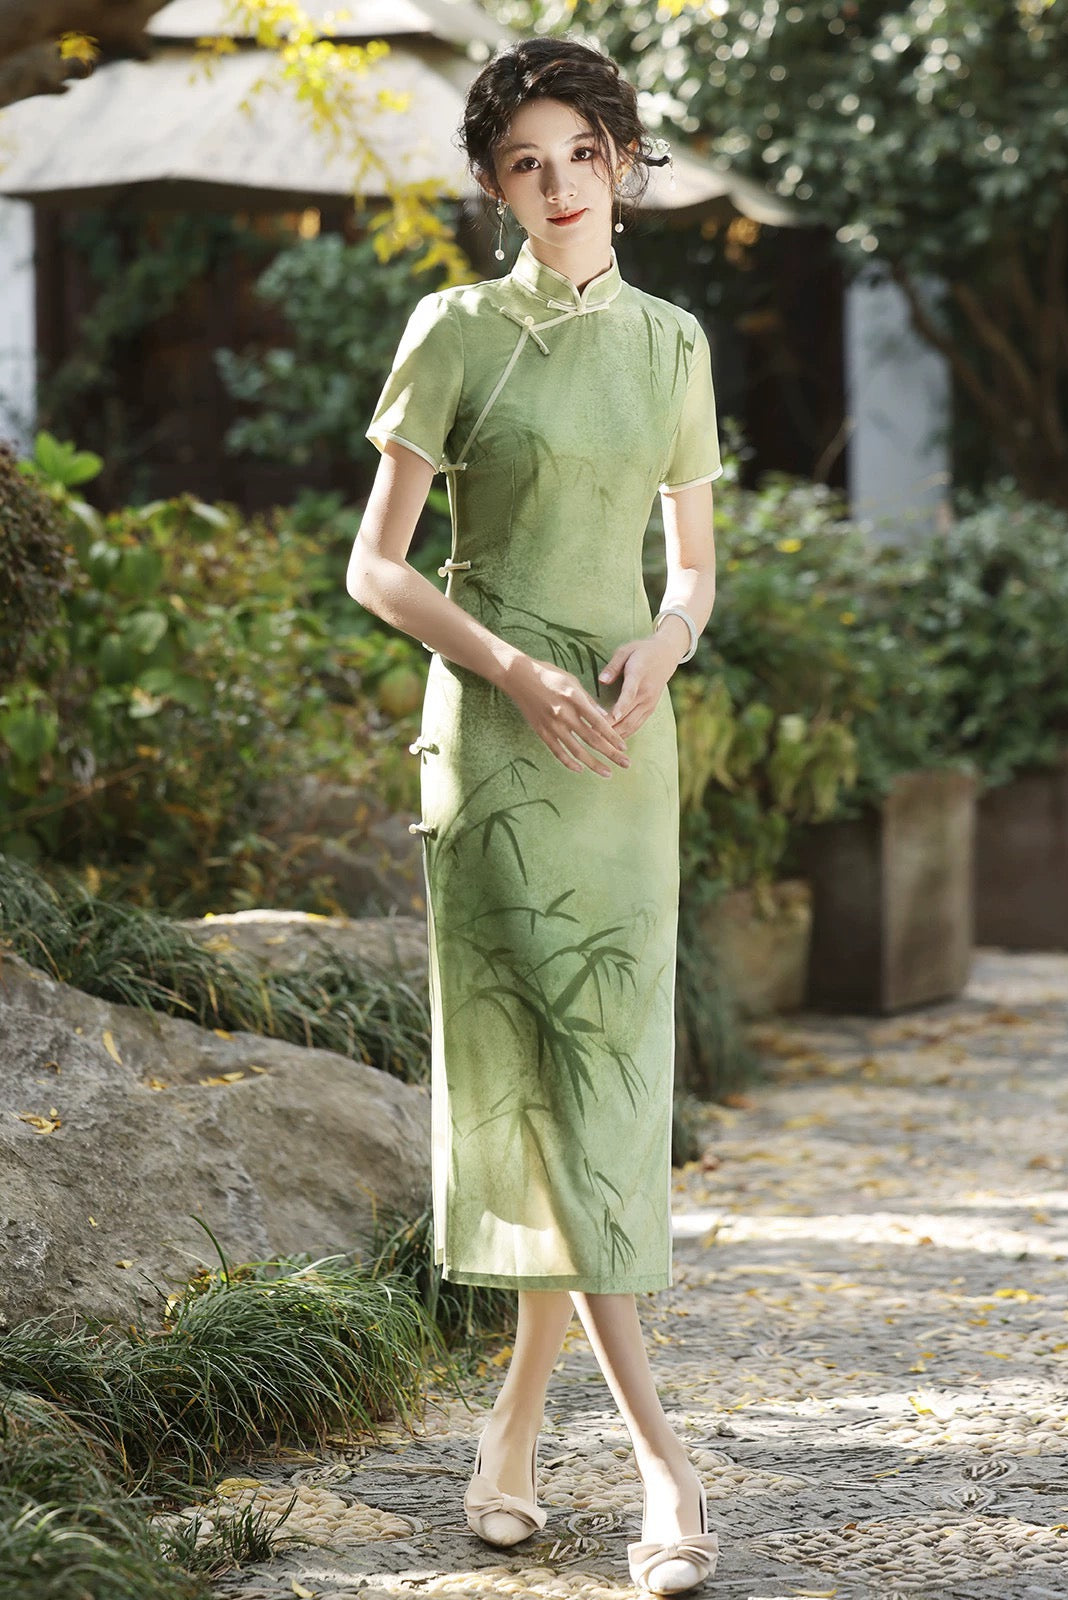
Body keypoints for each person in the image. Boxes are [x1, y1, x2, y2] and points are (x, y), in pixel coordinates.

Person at [346, 33, 722, 1596]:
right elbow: (374, 567)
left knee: (602, 1085)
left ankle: (509, 1437)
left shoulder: (676, 345)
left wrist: (664, 643)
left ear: (621, 162)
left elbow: (692, 569)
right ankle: (662, 1465)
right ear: (496, 187)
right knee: (555, 1082)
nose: (561, 186)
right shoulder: (455, 331)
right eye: (527, 163)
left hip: (624, 749)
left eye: (583, 154)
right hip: (497, 749)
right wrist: (506, 666)